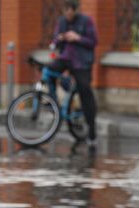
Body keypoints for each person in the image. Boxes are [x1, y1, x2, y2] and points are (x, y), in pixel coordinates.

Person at [50, 0, 99, 147]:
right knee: (47, 71)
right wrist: (58, 39)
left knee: (85, 90)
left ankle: (91, 129)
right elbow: (55, 41)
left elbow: (93, 41)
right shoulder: (61, 22)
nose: (68, 13)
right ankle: (55, 104)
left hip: (81, 62)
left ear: (76, 9)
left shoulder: (86, 21)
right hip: (66, 58)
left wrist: (77, 37)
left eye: (71, 9)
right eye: (66, 10)